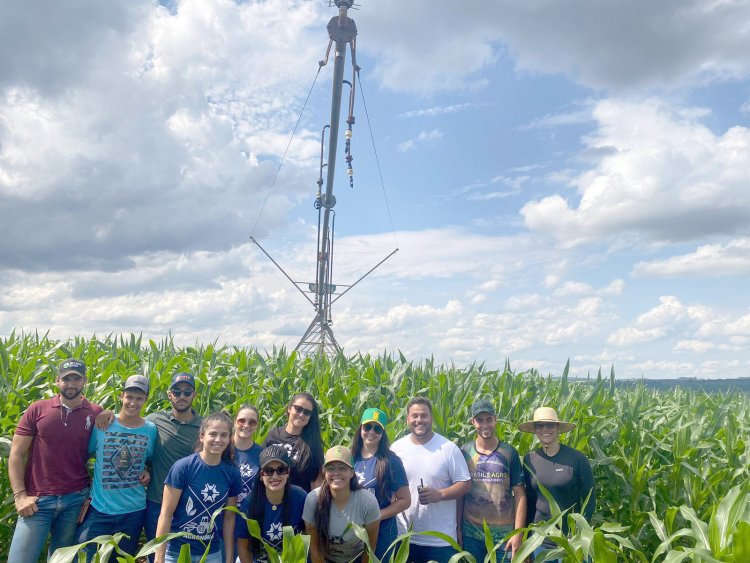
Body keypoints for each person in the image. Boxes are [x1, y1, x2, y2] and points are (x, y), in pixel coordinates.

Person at [8, 359, 103, 563]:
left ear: (84, 381)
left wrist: (144, 470)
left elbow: (112, 446)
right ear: (57, 380)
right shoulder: (38, 409)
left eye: (76, 378)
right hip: (37, 501)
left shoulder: (96, 412)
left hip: (75, 500)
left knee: (62, 560)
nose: (71, 384)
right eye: (66, 378)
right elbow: (16, 454)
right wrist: (19, 496)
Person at [76, 375, 157, 560]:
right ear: (121, 396)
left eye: (139, 398)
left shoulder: (151, 430)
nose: (133, 403)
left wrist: (148, 471)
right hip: (99, 509)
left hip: (133, 512)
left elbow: (151, 460)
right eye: (129, 397)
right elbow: (87, 453)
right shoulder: (103, 424)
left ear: (146, 400)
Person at [154, 411, 243, 563]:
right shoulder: (183, 468)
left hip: (211, 554)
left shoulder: (232, 473)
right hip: (177, 552)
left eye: (223, 435)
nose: (217, 439)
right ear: (202, 436)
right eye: (212, 434)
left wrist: (228, 557)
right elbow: (166, 514)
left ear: (229, 439)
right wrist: (159, 557)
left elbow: (229, 518)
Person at [391, 397, 471, 563]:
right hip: (405, 537)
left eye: (424, 415)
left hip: (440, 540)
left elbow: (465, 484)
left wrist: (439, 494)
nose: (419, 420)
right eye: (414, 416)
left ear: (431, 418)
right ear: (407, 419)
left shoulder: (448, 449)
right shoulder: (396, 449)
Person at [519, 407, 595, 563]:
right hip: (540, 542)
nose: (545, 429)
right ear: (535, 430)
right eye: (540, 425)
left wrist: (579, 535)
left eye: (550, 425)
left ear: (558, 428)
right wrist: (526, 542)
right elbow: (529, 502)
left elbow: (590, 500)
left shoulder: (577, 459)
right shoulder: (529, 460)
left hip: (571, 542)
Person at [458, 399, 526, 563]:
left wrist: (518, 534)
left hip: (504, 536)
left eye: (489, 419)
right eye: (479, 420)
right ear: (472, 422)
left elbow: (520, 495)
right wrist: (458, 529)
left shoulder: (509, 453)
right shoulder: (464, 452)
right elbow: (460, 494)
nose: (484, 425)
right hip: (471, 534)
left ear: (495, 420)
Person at [303, 446, 380, 563]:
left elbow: (370, 547)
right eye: (331, 468)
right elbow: (315, 550)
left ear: (352, 472)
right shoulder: (313, 500)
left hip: (356, 559)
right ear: (324, 472)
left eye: (343, 468)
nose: (336, 473)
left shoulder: (368, 502)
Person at [351, 407, 410, 560]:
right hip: (353, 528)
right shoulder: (350, 457)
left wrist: (377, 516)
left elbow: (405, 500)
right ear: (360, 428)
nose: (371, 432)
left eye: (377, 429)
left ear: (383, 433)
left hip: (383, 529)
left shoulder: (391, 461)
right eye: (368, 427)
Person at [236, 446, 307, 563]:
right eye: (268, 471)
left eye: (281, 470)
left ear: (288, 472)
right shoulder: (249, 504)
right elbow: (243, 547)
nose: (275, 476)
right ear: (261, 475)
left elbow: (307, 535)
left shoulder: (300, 497)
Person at [262, 392, 324, 492]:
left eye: (307, 412)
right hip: (272, 499)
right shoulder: (272, 436)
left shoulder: (313, 445)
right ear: (289, 408)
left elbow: (316, 483)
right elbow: (261, 470)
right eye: (298, 409)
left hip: (299, 503)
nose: (301, 414)